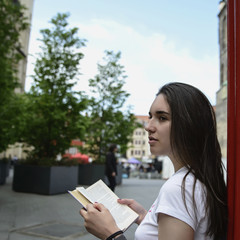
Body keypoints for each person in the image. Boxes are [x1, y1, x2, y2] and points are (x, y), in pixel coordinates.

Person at [80, 82, 228, 240]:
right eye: (150, 116)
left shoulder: (178, 188)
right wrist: (145, 218)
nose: (148, 127)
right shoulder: (200, 178)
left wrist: (111, 234)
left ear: (189, 124)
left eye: (162, 118)